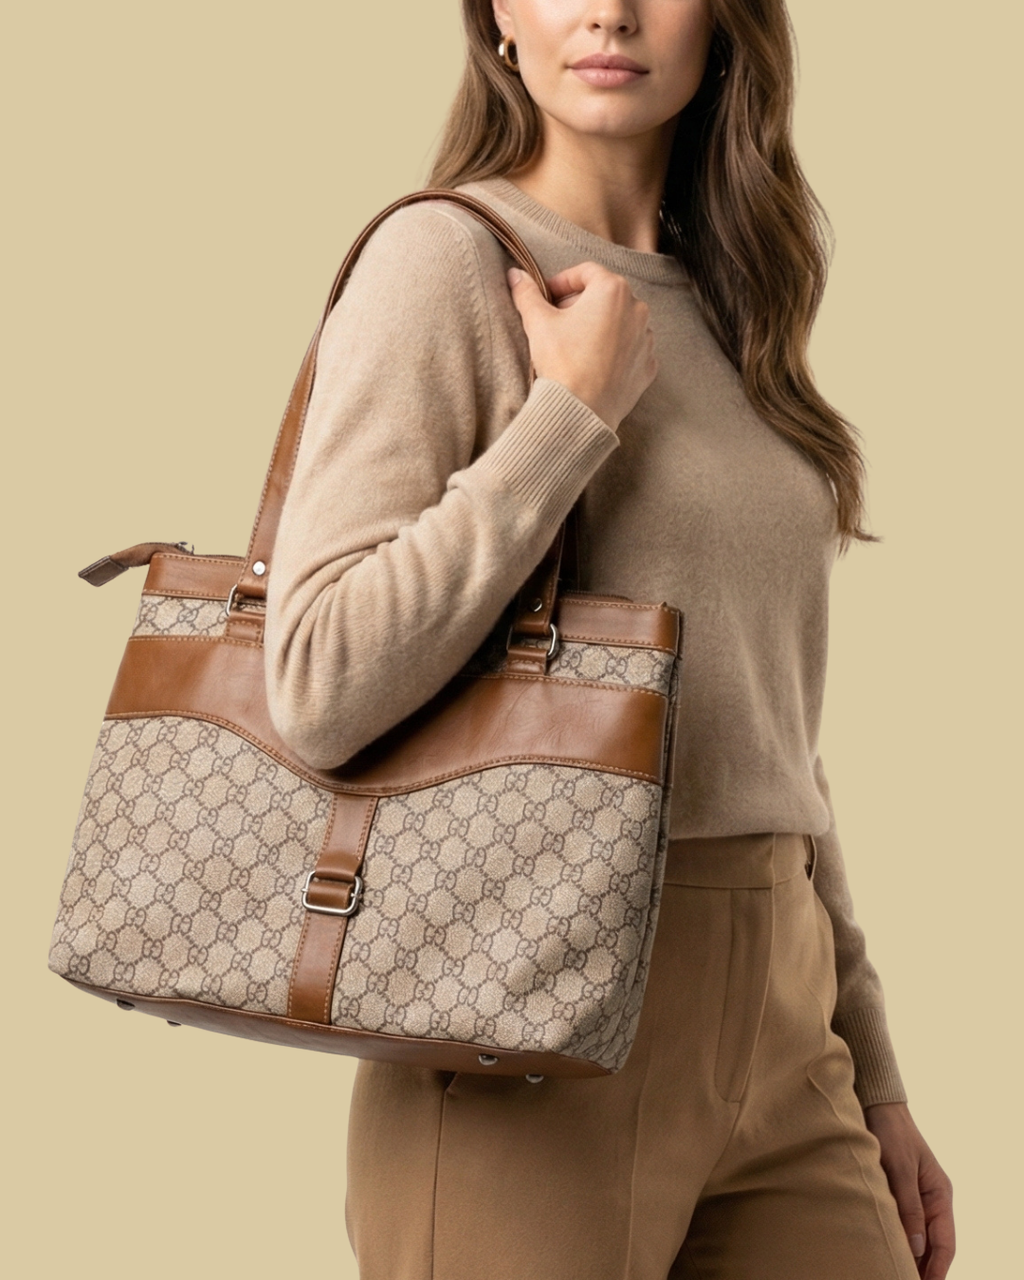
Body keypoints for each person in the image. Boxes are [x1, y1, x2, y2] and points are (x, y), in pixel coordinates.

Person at [264, 1, 955, 1276]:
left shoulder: (737, 299)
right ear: (497, 17)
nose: (610, 11)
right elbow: (317, 678)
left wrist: (874, 1066)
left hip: (785, 1019)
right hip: (523, 1024)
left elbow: (772, 725)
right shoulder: (443, 259)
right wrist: (567, 415)